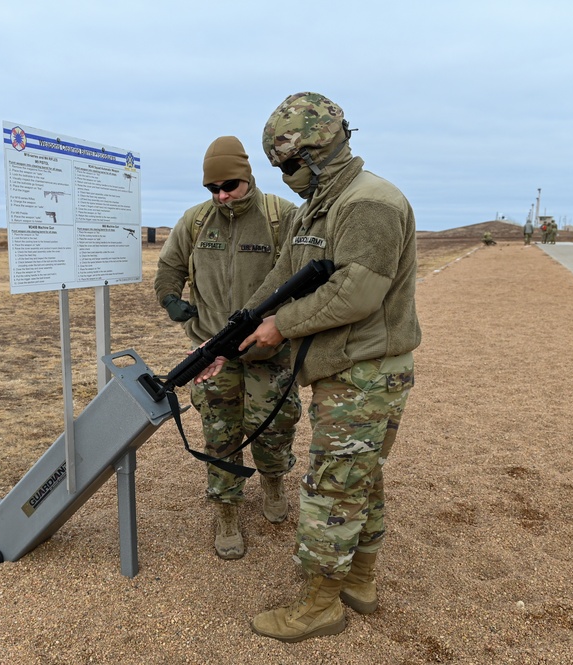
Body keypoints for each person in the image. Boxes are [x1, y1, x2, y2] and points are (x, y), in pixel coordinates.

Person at [199, 92, 421, 642]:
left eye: (291, 165)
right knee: (359, 480)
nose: (287, 176)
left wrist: (281, 325)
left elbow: (357, 293)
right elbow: (284, 270)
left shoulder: (370, 203)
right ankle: (360, 581)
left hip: (366, 373)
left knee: (331, 487)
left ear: (320, 152)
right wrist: (245, 322)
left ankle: (320, 603)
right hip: (342, 371)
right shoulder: (317, 206)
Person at [154, 136, 301, 561]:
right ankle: (226, 511)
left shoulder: (281, 217)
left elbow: (308, 272)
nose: (221, 196)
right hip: (211, 351)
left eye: (230, 186)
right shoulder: (197, 221)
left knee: (275, 427)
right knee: (220, 434)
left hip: (269, 351)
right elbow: (169, 267)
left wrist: (285, 323)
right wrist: (170, 300)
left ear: (248, 177)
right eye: (212, 189)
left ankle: (273, 481)